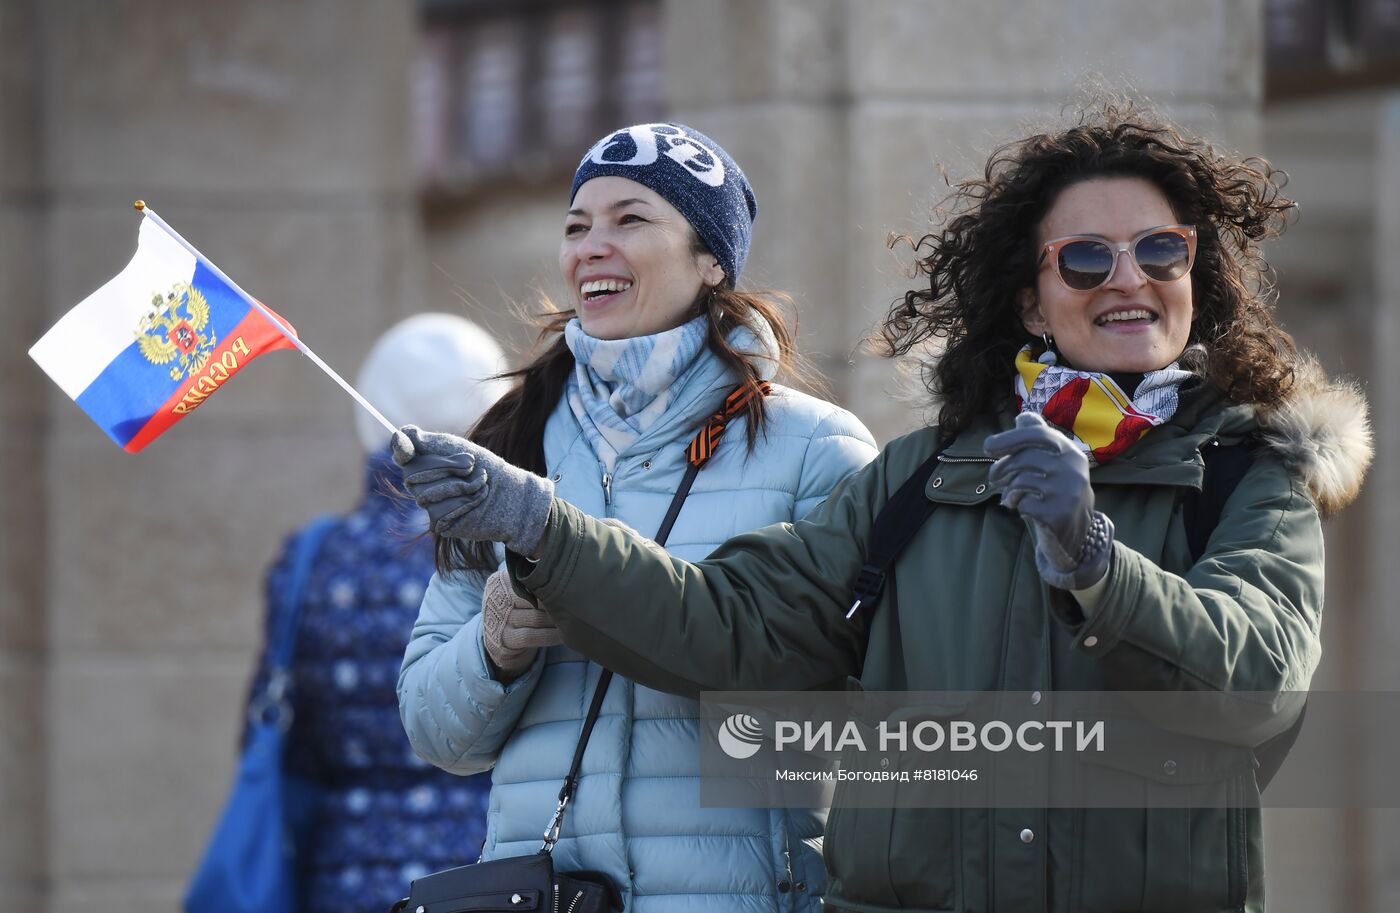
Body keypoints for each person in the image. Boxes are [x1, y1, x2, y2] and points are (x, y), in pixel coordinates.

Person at [390, 101, 1375, 912]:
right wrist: (539, 527)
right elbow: (726, 624)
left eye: (1159, 252)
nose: (1127, 280)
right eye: (1084, 259)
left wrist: (1092, 562)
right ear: (1031, 300)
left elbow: (1254, 682)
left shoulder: (1251, 471)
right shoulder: (915, 479)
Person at [394, 123, 878, 913]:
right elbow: (435, 733)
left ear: (711, 258)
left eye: (631, 219)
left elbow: (858, 726)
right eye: (577, 226)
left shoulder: (815, 448)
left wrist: (675, 625)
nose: (592, 247)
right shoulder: (509, 445)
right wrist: (492, 648)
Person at [244, 313, 508, 913]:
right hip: (497, 874)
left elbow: (276, 733)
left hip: (348, 879)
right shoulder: (526, 548)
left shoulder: (313, 559)